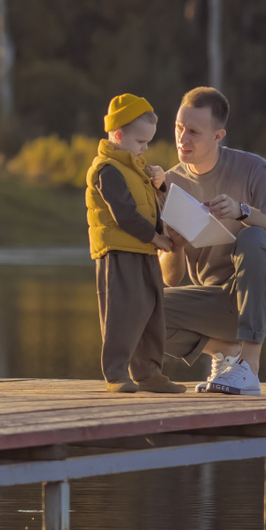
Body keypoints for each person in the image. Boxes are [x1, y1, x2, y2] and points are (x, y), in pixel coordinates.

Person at [159, 86, 266, 396]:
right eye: (178, 127)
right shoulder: (169, 184)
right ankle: (225, 352)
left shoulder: (254, 170)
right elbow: (170, 277)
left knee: (253, 236)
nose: (182, 138)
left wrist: (244, 213)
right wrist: (178, 245)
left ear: (218, 136)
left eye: (193, 132)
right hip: (221, 302)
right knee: (141, 308)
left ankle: (248, 366)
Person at [85, 93, 188, 393]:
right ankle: (116, 374)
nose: (145, 148)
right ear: (118, 136)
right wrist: (157, 238)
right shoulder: (107, 170)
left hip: (144, 251)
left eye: (148, 142)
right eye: (141, 141)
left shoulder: (137, 168)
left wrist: (161, 184)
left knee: (151, 310)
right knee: (123, 312)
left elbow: (153, 206)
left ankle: (149, 373)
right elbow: (125, 214)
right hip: (118, 253)